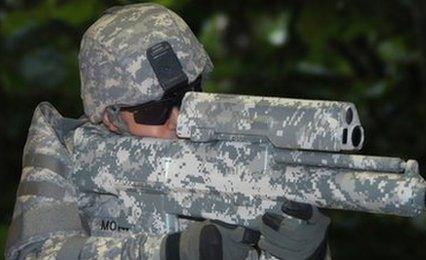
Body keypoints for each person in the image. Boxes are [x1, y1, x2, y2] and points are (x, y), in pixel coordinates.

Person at [5, 3, 329, 259]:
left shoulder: (231, 155)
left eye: (190, 98)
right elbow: (36, 254)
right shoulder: (69, 156)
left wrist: (302, 253)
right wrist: (169, 252)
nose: (180, 121)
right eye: (155, 111)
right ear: (109, 117)